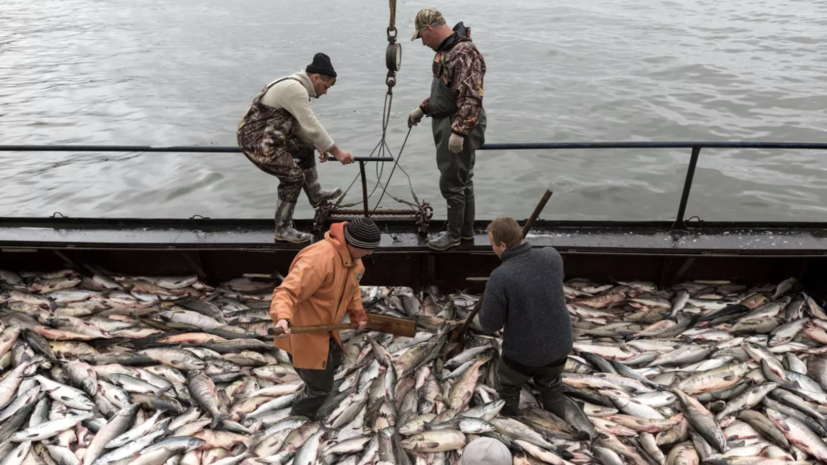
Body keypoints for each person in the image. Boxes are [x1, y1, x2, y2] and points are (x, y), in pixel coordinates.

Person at [269, 217, 381, 418]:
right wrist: (283, 318)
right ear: (353, 244)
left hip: (330, 328)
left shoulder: (354, 260)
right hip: (305, 335)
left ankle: (319, 386)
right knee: (320, 388)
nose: (371, 253)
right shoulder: (318, 260)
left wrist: (357, 313)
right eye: (368, 249)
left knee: (335, 363)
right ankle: (297, 419)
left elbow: (352, 289)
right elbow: (286, 292)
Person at [238, 52, 356, 244]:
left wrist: (317, 144)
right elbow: (312, 124)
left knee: (304, 148)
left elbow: (298, 126)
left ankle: (315, 193)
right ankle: (283, 229)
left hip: (272, 136)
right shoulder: (295, 89)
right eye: (325, 87)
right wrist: (337, 152)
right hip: (256, 141)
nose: (325, 92)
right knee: (293, 177)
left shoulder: (295, 86)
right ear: (316, 78)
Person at [478, 217, 574, 418]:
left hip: (522, 356)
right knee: (551, 384)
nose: (493, 249)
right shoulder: (552, 256)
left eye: (493, 245)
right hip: (560, 347)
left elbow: (489, 325)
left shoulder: (500, 276)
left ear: (502, 245)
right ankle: (562, 423)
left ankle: (510, 420)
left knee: (508, 386)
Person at [408, 8, 487, 251]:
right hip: (449, 119)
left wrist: (459, 132)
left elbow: (471, 97)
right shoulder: (447, 51)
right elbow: (447, 91)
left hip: (458, 123)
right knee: (463, 181)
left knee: (452, 183)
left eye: (421, 37)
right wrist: (423, 109)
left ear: (428, 28)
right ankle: (465, 232)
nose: (422, 43)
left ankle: (453, 235)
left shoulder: (464, 52)